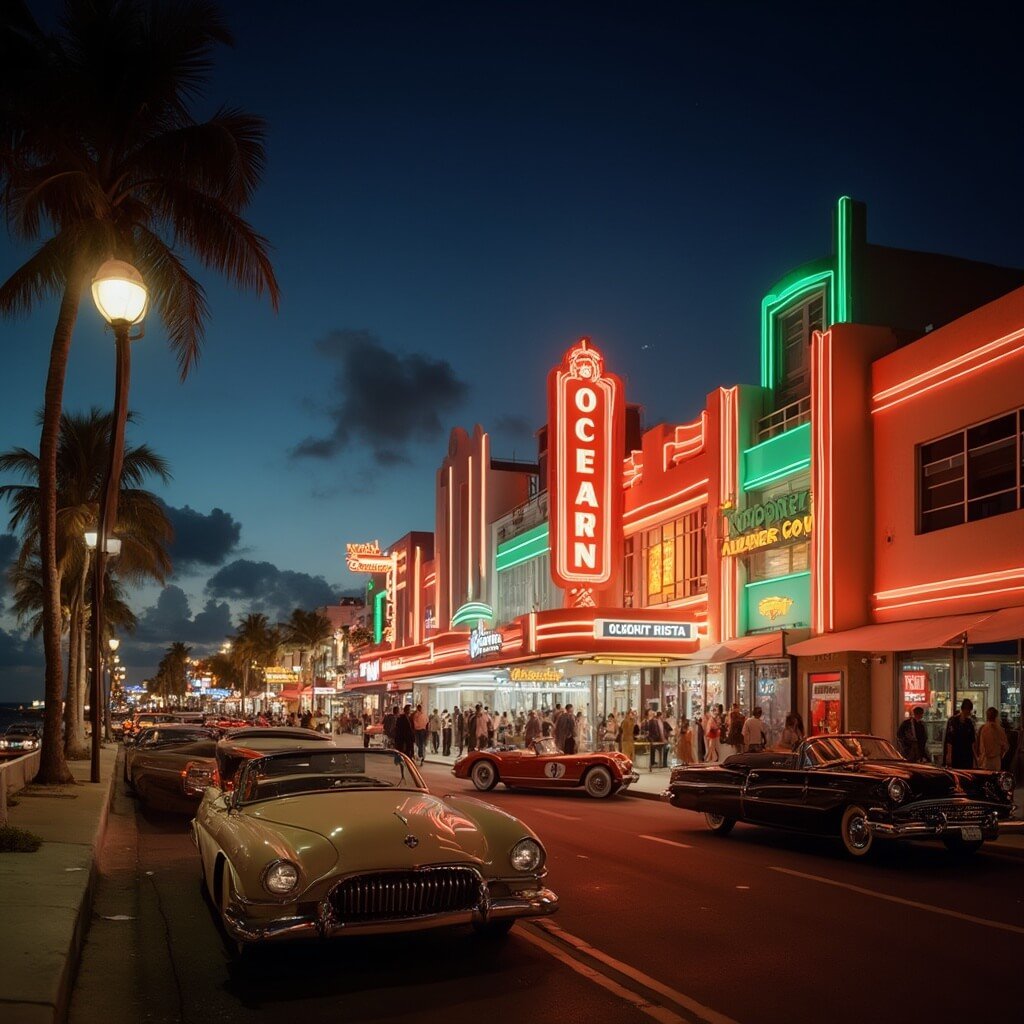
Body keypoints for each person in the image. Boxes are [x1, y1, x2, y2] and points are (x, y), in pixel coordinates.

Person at [944, 698, 976, 769]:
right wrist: (949, 755)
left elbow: (972, 741)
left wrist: (975, 758)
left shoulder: (969, 722)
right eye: (967, 710)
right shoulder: (953, 721)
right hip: (957, 752)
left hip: (966, 753)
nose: (968, 712)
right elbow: (950, 740)